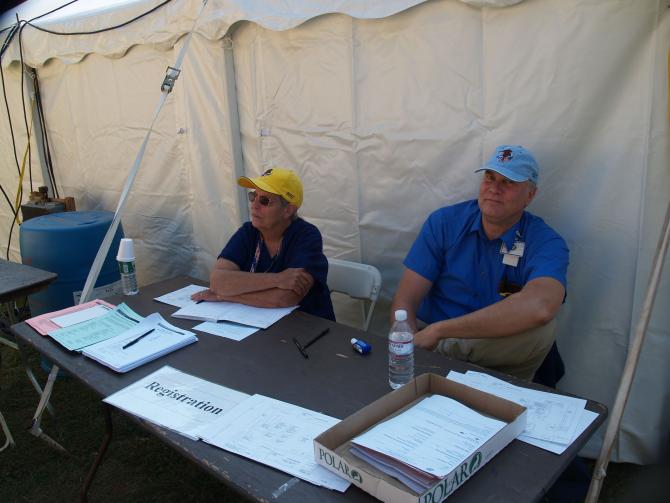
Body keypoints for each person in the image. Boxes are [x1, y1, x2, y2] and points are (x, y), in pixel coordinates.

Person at [391, 145, 569, 380]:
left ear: (530, 195)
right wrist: (408, 348)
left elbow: (541, 307)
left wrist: (440, 332)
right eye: (490, 178)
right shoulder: (445, 222)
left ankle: (445, 354)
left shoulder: (545, 241)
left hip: (495, 354)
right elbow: (406, 300)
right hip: (429, 347)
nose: (494, 189)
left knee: (543, 331)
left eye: (508, 182)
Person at [192, 167, 335, 321]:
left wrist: (224, 296)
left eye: (264, 200)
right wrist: (278, 279)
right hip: (259, 325)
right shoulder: (249, 231)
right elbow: (218, 280)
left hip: (307, 330)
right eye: (253, 196)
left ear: (288, 210)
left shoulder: (307, 236)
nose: (254, 205)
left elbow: (284, 299)